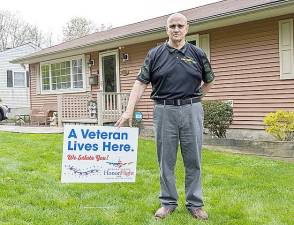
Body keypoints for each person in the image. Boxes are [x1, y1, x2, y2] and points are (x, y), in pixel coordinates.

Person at [115, 12, 214, 220]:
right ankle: (168, 202)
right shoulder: (154, 54)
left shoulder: (198, 54)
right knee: (165, 160)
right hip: (164, 110)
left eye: (180, 25)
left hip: (192, 110)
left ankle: (195, 204)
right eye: (172, 26)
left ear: (187, 28)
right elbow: (140, 82)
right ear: (166, 29)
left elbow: (209, 81)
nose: (176, 29)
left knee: (193, 159)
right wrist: (128, 110)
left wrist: (195, 99)